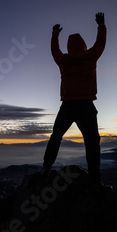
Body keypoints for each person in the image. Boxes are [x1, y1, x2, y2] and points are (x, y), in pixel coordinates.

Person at [42, 12, 107, 187]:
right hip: (86, 105)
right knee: (92, 142)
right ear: (84, 46)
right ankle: (95, 178)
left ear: (69, 47)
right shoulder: (90, 56)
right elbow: (100, 44)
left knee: (56, 137)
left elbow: (54, 51)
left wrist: (55, 33)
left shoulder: (64, 60)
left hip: (68, 106)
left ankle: (45, 169)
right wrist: (101, 25)